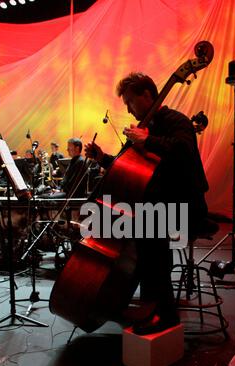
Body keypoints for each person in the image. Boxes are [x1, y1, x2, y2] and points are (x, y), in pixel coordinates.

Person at [84, 72, 209, 334]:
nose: (129, 110)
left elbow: (184, 150)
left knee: (150, 237)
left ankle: (166, 315)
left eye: (130, 102)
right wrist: (103, 158)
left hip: (185, 205)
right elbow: (126, 168)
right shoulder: (145, 128)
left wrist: (147, 140)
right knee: (143, 234)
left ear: (147, 95)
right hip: (157, 206)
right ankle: (148, 304)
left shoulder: (176, 120)